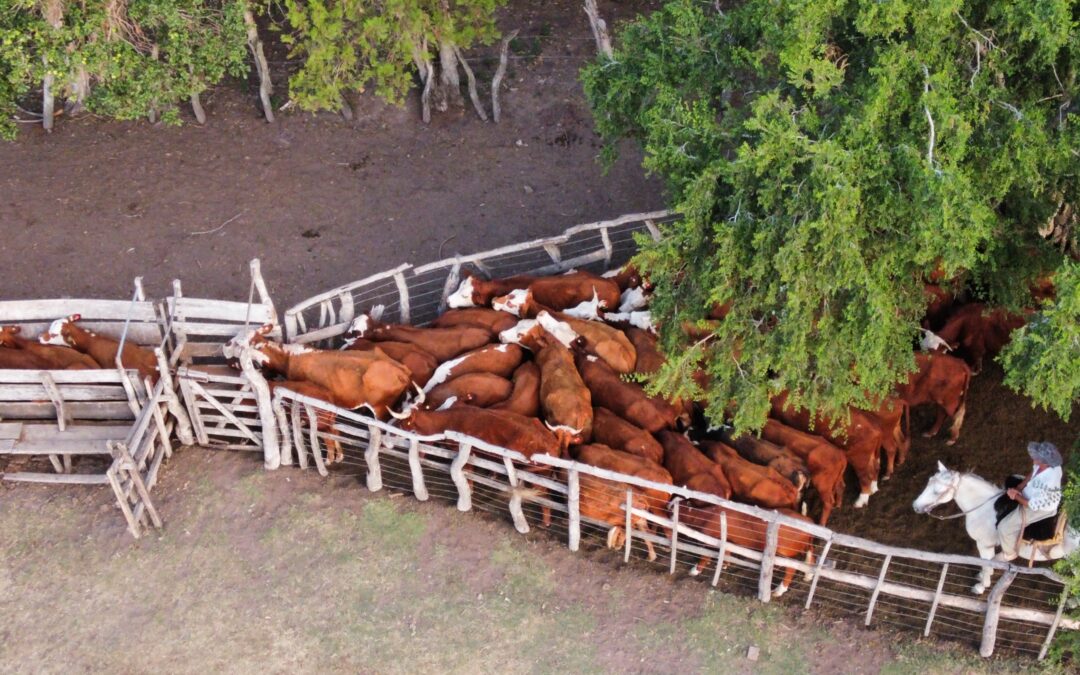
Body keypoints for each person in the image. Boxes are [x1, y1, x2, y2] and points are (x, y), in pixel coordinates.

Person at [997, 441, 1063, 560]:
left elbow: (1030, 504)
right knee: (1014, 479)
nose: (1033, 458)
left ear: (1044, 461)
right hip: (1031, 493)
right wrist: (1019, 487)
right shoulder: (1047, 465)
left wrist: (1015, 495)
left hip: (1040, 508)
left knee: (1005, 528)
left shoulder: (1049, 483)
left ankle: (1009, 554)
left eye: (1036, 457)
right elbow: (1033, 473)